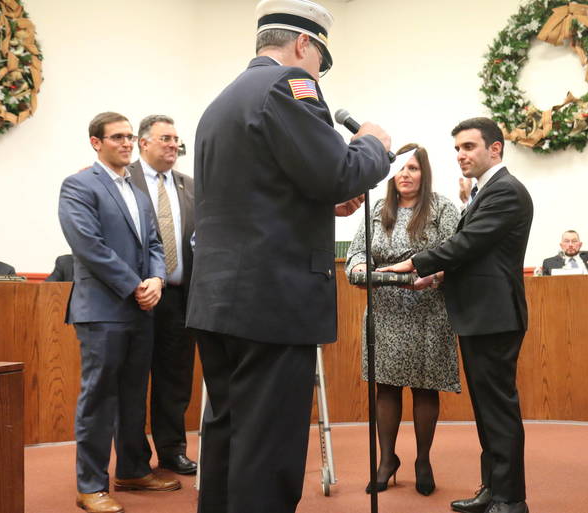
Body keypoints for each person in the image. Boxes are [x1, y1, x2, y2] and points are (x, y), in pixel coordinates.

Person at [185, 1, 391, 512]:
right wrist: (372, 146)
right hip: (271, 303)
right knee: (268, 447)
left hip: (220, 299)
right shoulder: (289, 86)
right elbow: (337, 171)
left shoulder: (222, 100)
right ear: (303, 44)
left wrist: (322, 200)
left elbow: (261, 191)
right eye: (321, 57)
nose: (319, 71)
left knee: (230, 436)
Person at [381, 117, 533, 513]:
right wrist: (437, 276)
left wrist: (415, 263)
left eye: (469, 147)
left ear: (495, 149)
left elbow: (466, 243)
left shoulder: (506, 192)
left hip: (494, 316)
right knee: (486, 412)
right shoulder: (486, 191)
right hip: (479, 315)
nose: (461, 156)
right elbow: (477, 254)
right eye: (457, 149)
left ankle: (511, 500)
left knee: (498, 412)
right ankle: (493, 488)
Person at [58, 111, 178, 513]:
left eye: (129, 137)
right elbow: (89, 247)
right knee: (98, 399)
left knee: (132, 396)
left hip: (141, 308)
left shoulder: (139, 194)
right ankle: (90, 485)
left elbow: (156, 246)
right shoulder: (78, 186)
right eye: (117, 138)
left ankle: (132, 469)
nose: (127, 143)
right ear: (96, 143)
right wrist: (135, 285)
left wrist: (157, 280)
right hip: (103, 310)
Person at [346, 143, 460, 496]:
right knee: (387, 387)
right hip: (387, 311)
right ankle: (386, 459)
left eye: (413, 168)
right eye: (400, 169)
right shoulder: (379, 208)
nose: (405, 175)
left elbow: (456, 254)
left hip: (428, 308)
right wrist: (360, 265)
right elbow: (356, 252)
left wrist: (435, 276)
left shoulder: (442, 207)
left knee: (425, 388)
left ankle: (423, 459)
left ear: (424, 173)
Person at [128, 115, 197, 475]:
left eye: (176, 139)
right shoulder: (124, 180)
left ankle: (172, 451)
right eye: (165, 138)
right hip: (136, 297)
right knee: (134, 379)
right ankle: (135, 457)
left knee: (175, 378)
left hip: (181, 297)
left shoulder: (190, 186)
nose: (173, 145)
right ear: (143, 143)